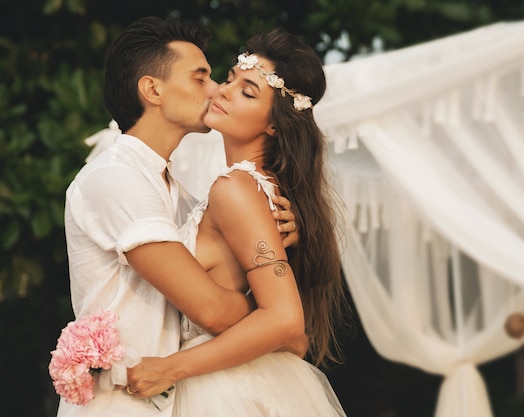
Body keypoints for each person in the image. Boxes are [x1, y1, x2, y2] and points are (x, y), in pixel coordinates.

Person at [58, 17, 300, 417]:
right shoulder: (114, 177)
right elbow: (213, 311)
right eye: (201, 78)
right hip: (120, 404)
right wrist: (274, 320)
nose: (217, 90)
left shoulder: (185, 197)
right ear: (153, 89)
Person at [125, 29, 347, 416]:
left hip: (222, 389)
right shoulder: (256, 191)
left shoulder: (236, 189)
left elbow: (285, 320)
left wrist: (170, 368)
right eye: (229, 79)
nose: (223, 92)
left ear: (274, 125)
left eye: (247, 92)